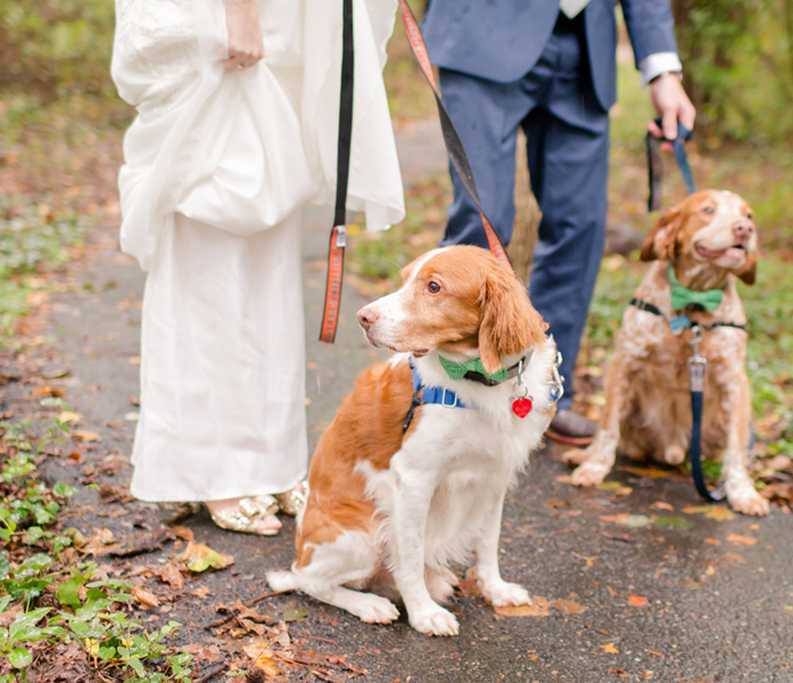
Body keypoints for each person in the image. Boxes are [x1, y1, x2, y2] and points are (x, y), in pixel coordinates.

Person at [111, 0, 404, 534]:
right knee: (212, 243)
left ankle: (269, 460)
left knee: (268, 258)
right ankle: (212, 469)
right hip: (224, 21)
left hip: (282, 22)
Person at [422, 0, 696, 444]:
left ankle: (542, 395)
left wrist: (663, 69)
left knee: (580, 226)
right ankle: (452, 395)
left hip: (586, 47)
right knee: (481, 222)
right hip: (483, 30)